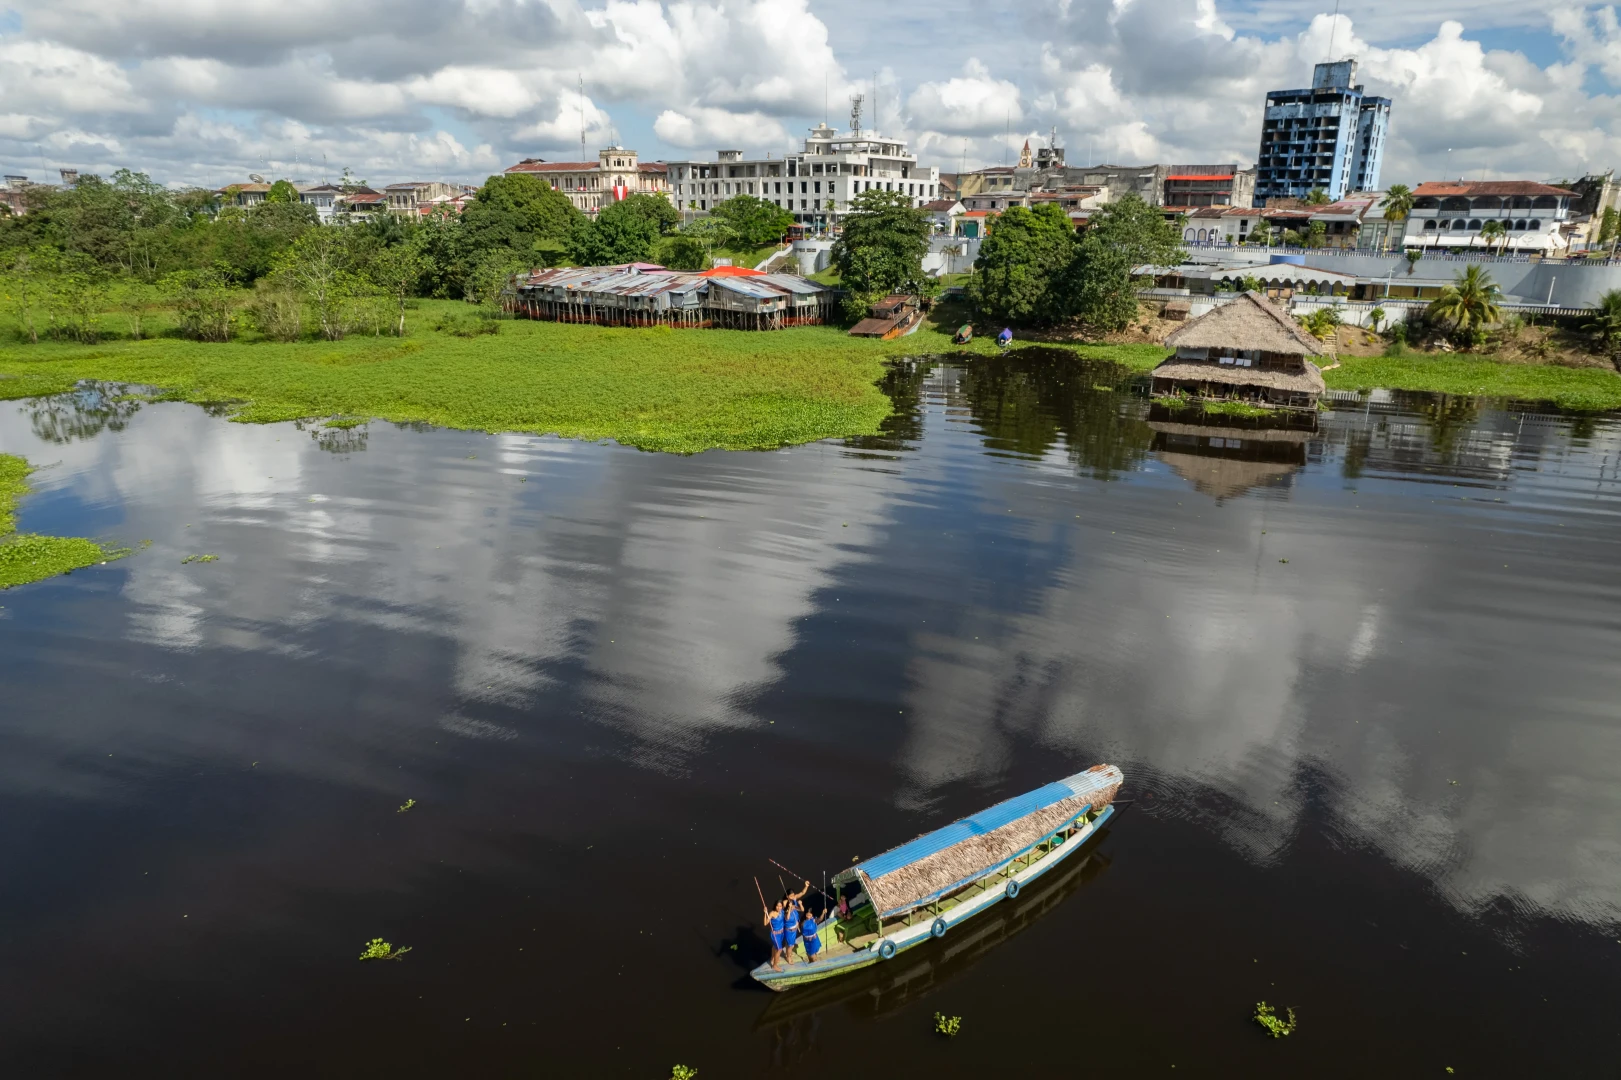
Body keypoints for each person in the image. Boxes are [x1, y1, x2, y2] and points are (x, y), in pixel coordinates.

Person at [764, 900, 787, 972]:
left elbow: (786, 901)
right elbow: (765, 923)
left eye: (780, 906)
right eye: (777, 906)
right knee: (779, 949)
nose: (779, 907)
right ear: (775, 906)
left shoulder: (782, 911)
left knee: (775, 946)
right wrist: (765, 913)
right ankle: (775, 965)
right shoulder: (772, 913)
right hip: (775, 934)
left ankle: (773, 958)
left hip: (781, 933)